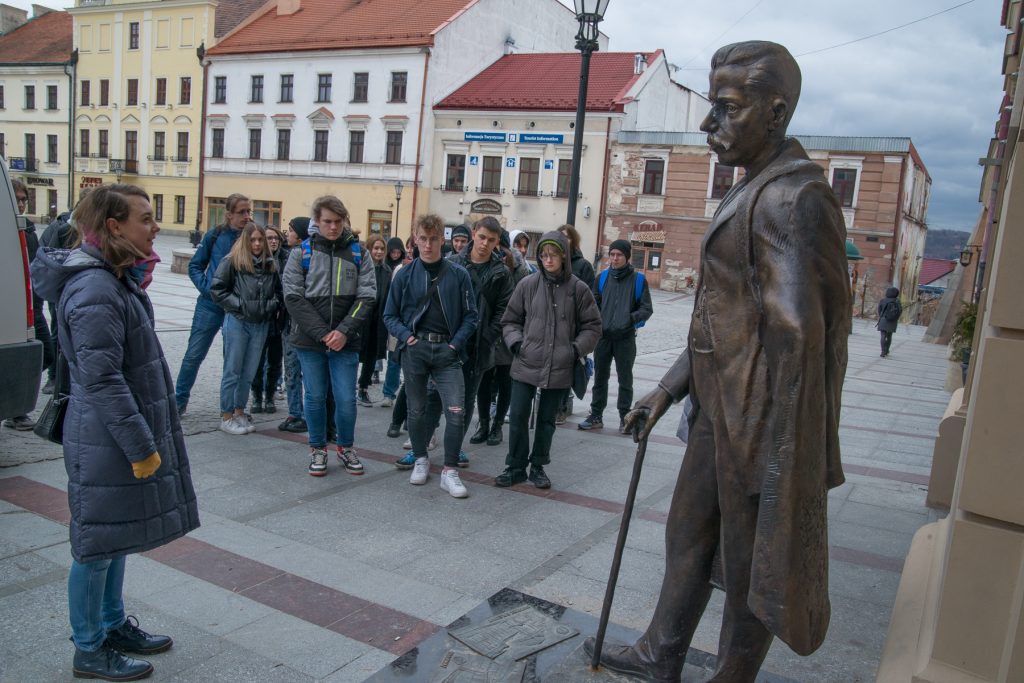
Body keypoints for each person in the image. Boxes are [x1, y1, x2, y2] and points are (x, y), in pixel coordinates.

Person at [585, 41, 851, 682]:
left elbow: (799, 330)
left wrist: (785, 451)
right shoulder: (754, 186)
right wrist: (669, 390)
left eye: (727, 109)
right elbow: (719, 321)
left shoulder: (794, 199)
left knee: (749, 563)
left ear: (777, 112)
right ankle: (660, 651)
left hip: (757, 422)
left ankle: (731, 676)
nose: (709, 125)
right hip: (718, 410)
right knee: (689, 535)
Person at [30, 184, 199, 681]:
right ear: (113, 226)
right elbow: (102, 379)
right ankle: (89, 648)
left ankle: (111, 624)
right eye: (145, 218)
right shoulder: (96, 289)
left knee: (116, 536)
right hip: (106, 437)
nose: (154, 227)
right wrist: (140, 445)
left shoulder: (112, 278)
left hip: (114, 434)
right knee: (96, 545)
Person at [399, 216, 512, 467]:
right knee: (431, 396)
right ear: (474, 234)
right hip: (446, 344)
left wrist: (486, 337)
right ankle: (420, 447)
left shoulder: (501, 272)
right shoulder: (452, 262)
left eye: (491, 240)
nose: (485, 244)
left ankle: (455, 447)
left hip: (478, 346)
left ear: (497, 242)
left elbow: (503, 311)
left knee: (465, 400)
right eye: (482, 237)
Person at [494, 230, 601, 489]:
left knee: (546, 420)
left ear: (563, 255)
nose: (548, 260)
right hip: (526, 361)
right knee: (518, 415)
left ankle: (538, 465)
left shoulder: (578, 288)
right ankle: (515, 465)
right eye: (543, 255)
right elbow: (510, 320)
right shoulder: (528, 285)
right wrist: (517, 342)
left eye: (553, 255)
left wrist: (574, 350)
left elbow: (593, 326)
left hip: (560, 364)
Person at [383, 214, 478, 498]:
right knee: (416, 410)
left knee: (456, 412)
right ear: (415, 239)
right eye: (422, 239)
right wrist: (406, 337)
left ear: (442, 240)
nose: (427, 245)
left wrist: (455, 345)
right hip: (417, 349)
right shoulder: (405, 275)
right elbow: (389, 315)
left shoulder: (458, 274)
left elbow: (472, 316)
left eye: (433, 239)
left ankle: (449, 470)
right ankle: (421, 458)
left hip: (448, 351)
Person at [282, 196, 376, 477]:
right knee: (315, 397)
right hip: (311, 342)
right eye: (327, 222)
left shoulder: (359, 253)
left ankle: (345, 447)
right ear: (318, 222)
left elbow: (367, 295)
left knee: (346, 399)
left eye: (338, 221)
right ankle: (318, 449)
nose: (333, 227)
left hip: (346, 342)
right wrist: (324, 334)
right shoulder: (302, 253)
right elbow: (293, 297)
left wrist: (344, 331)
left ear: (345, 220)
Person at [174, 193, 251, 415]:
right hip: (210, 305)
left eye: (249, 211)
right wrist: (207, 288)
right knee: (194, 355)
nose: (246, 216)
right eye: (241, 212)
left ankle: (231, 408)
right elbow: (195, 266)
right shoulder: (215, 235)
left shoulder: (252, 236)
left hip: (236, 308)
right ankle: (179, 402)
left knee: (234, 362)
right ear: (229, 214)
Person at [209, 223, 281, 435]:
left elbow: (277, 292)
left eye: (261, 239)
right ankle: (226, 415)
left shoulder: (271, 264)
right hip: (238, 321)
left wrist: (269, 306)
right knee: (232, 370)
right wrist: (241, 305)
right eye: (253, 240)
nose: (257, 244)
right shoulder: (232, 261)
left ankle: (239, 411)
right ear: (245, 241)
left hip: (260, 323)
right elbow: (217, 290)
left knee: (248, 372)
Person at [579, 239, 653, 432]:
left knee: (625, 380)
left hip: (626, 339)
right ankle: (596, 415)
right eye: (612, 254)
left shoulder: (638, 280)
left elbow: (647, 308)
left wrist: (629, 319)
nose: (614, 258)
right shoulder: (602, 278)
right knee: (600, 378)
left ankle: (624, 417)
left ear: (627, 257)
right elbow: (593, 304)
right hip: (603, 338)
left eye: (619, 255)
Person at [4, 179, 53, 430]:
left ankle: (14, 404)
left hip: (34, 305)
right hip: (17, 307)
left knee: (47, 353)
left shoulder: (28, 228)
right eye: (18, 199)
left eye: (24, 199)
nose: (22, 203)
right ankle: (16, 410)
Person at [250, 225, 288, 414]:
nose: (273, 241)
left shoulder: (286, 259)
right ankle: (257, 396)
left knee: (275, 360)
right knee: (256, 360)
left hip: (278, 318)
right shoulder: (256, 260)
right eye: (269, 238)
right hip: (260, 316)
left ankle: (270, 395)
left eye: (276, 238)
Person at [277, 217, 308, 433]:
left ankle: (299, 413)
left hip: (298, 323)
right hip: (289, 322)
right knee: (291, 370)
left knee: (295, 369)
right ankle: (294, 411)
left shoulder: (301, 257)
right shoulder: (288, 255)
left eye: (290, 231)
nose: (287, 234)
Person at [357, 234, 392, 406]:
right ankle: (348, 388)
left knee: (371, 356)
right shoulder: (362, 267)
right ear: (369, 249)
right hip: (361, 318)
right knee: (355, 354)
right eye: (375, 248)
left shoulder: (386, 271)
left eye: (381, 248)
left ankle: (363, 388)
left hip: (378, 320)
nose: (378, 252)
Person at [380, 236, 407, 409]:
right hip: (398, 321)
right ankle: (389, 393)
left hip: (414, 325)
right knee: (393, 360)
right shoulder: (399, 269)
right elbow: (393, 297)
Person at [877, 286, 902, 357]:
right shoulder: (897, 301)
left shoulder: (883, 300)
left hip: (883, 319)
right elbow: (900, 311)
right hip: (893, 321)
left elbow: (879, 310)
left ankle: (882, 351)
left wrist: (881, 316)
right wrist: (895, 318)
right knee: (889, 336)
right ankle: (887, 350)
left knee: (883, 335)